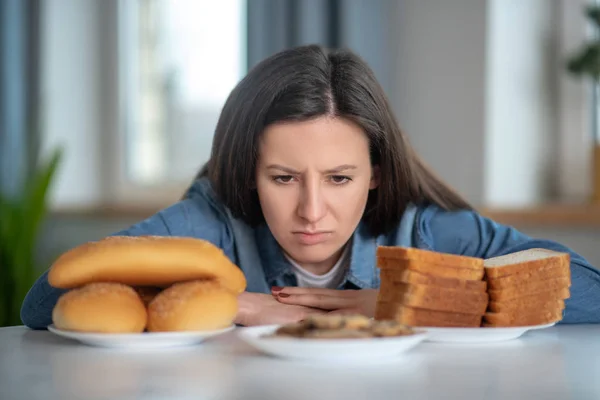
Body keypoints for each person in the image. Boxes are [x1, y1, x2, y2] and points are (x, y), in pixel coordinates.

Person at [21, 45, 600, 330]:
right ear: (250, 172)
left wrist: (407, 306)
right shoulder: (213, 220)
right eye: (283, 178)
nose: (312, 211)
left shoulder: (422, 227)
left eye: (340, 178)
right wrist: (233, 306)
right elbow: (43, 303)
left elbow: (592, 293)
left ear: (375, 173)